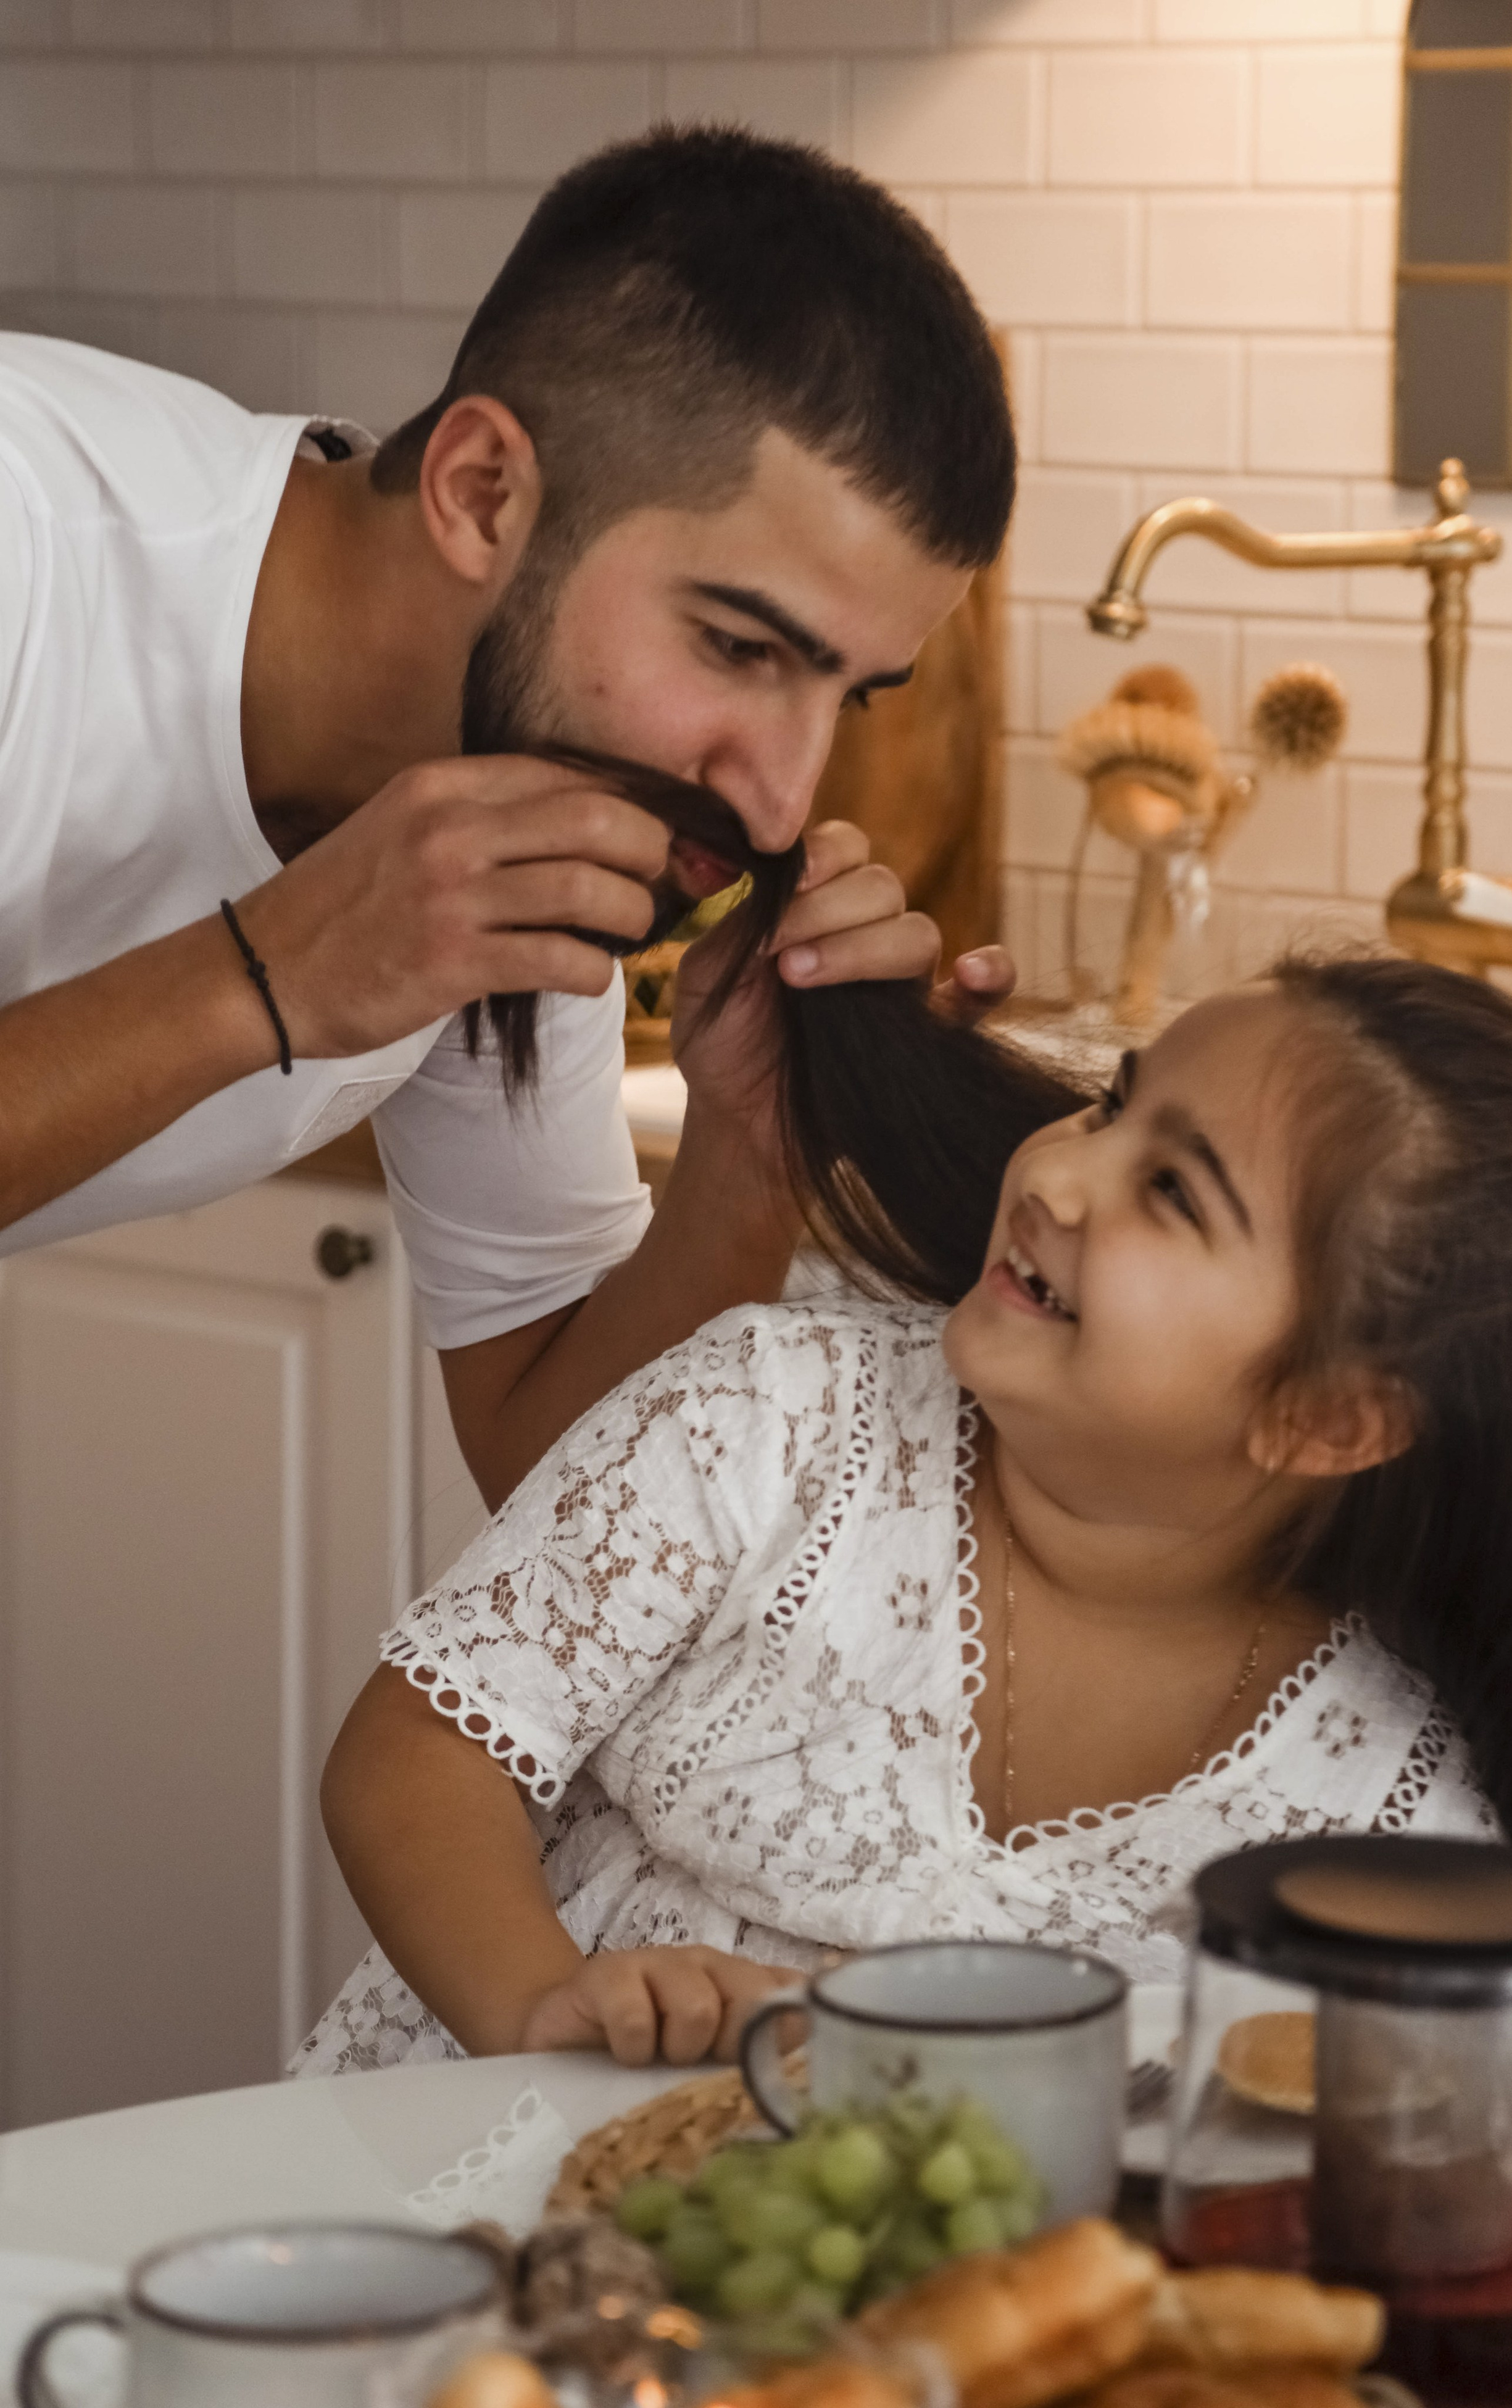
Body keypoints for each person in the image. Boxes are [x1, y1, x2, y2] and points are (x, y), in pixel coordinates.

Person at [295, 950, 1512, 2080]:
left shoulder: (1390, 1811)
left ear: (1330, 1418)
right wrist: (543, 2008)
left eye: (1173, 1192)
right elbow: (415, 1761)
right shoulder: (767, 1416)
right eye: (1109, 1105)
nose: (1064, 1176)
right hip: (467, 2170)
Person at [0, 127, 1015, 1508]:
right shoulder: (27, 547)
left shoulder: (526, 769)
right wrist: (271, 974)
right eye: (734, 648)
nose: (783, 805)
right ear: (481, 493)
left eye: (858, 697)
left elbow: (555, 1476)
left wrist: (752, 1149)